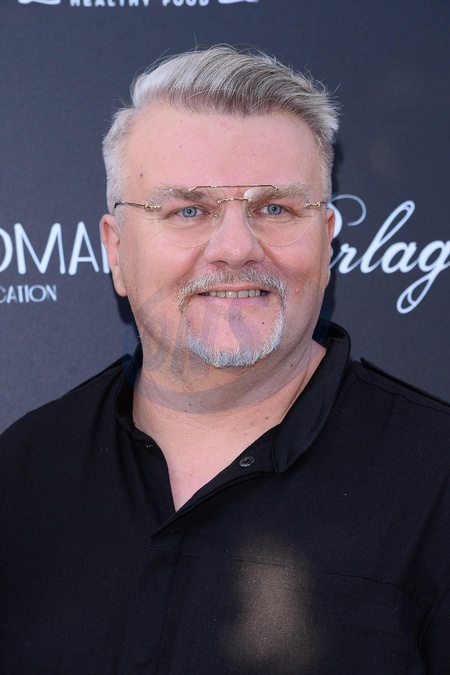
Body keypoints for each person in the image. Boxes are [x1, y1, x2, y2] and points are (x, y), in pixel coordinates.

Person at [1, 46, 449, 674]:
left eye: (275, 208)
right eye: (189, 210)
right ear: (115, 250)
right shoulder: (22, 475)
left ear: (326, 243)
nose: (236, 248)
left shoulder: (437, 481)